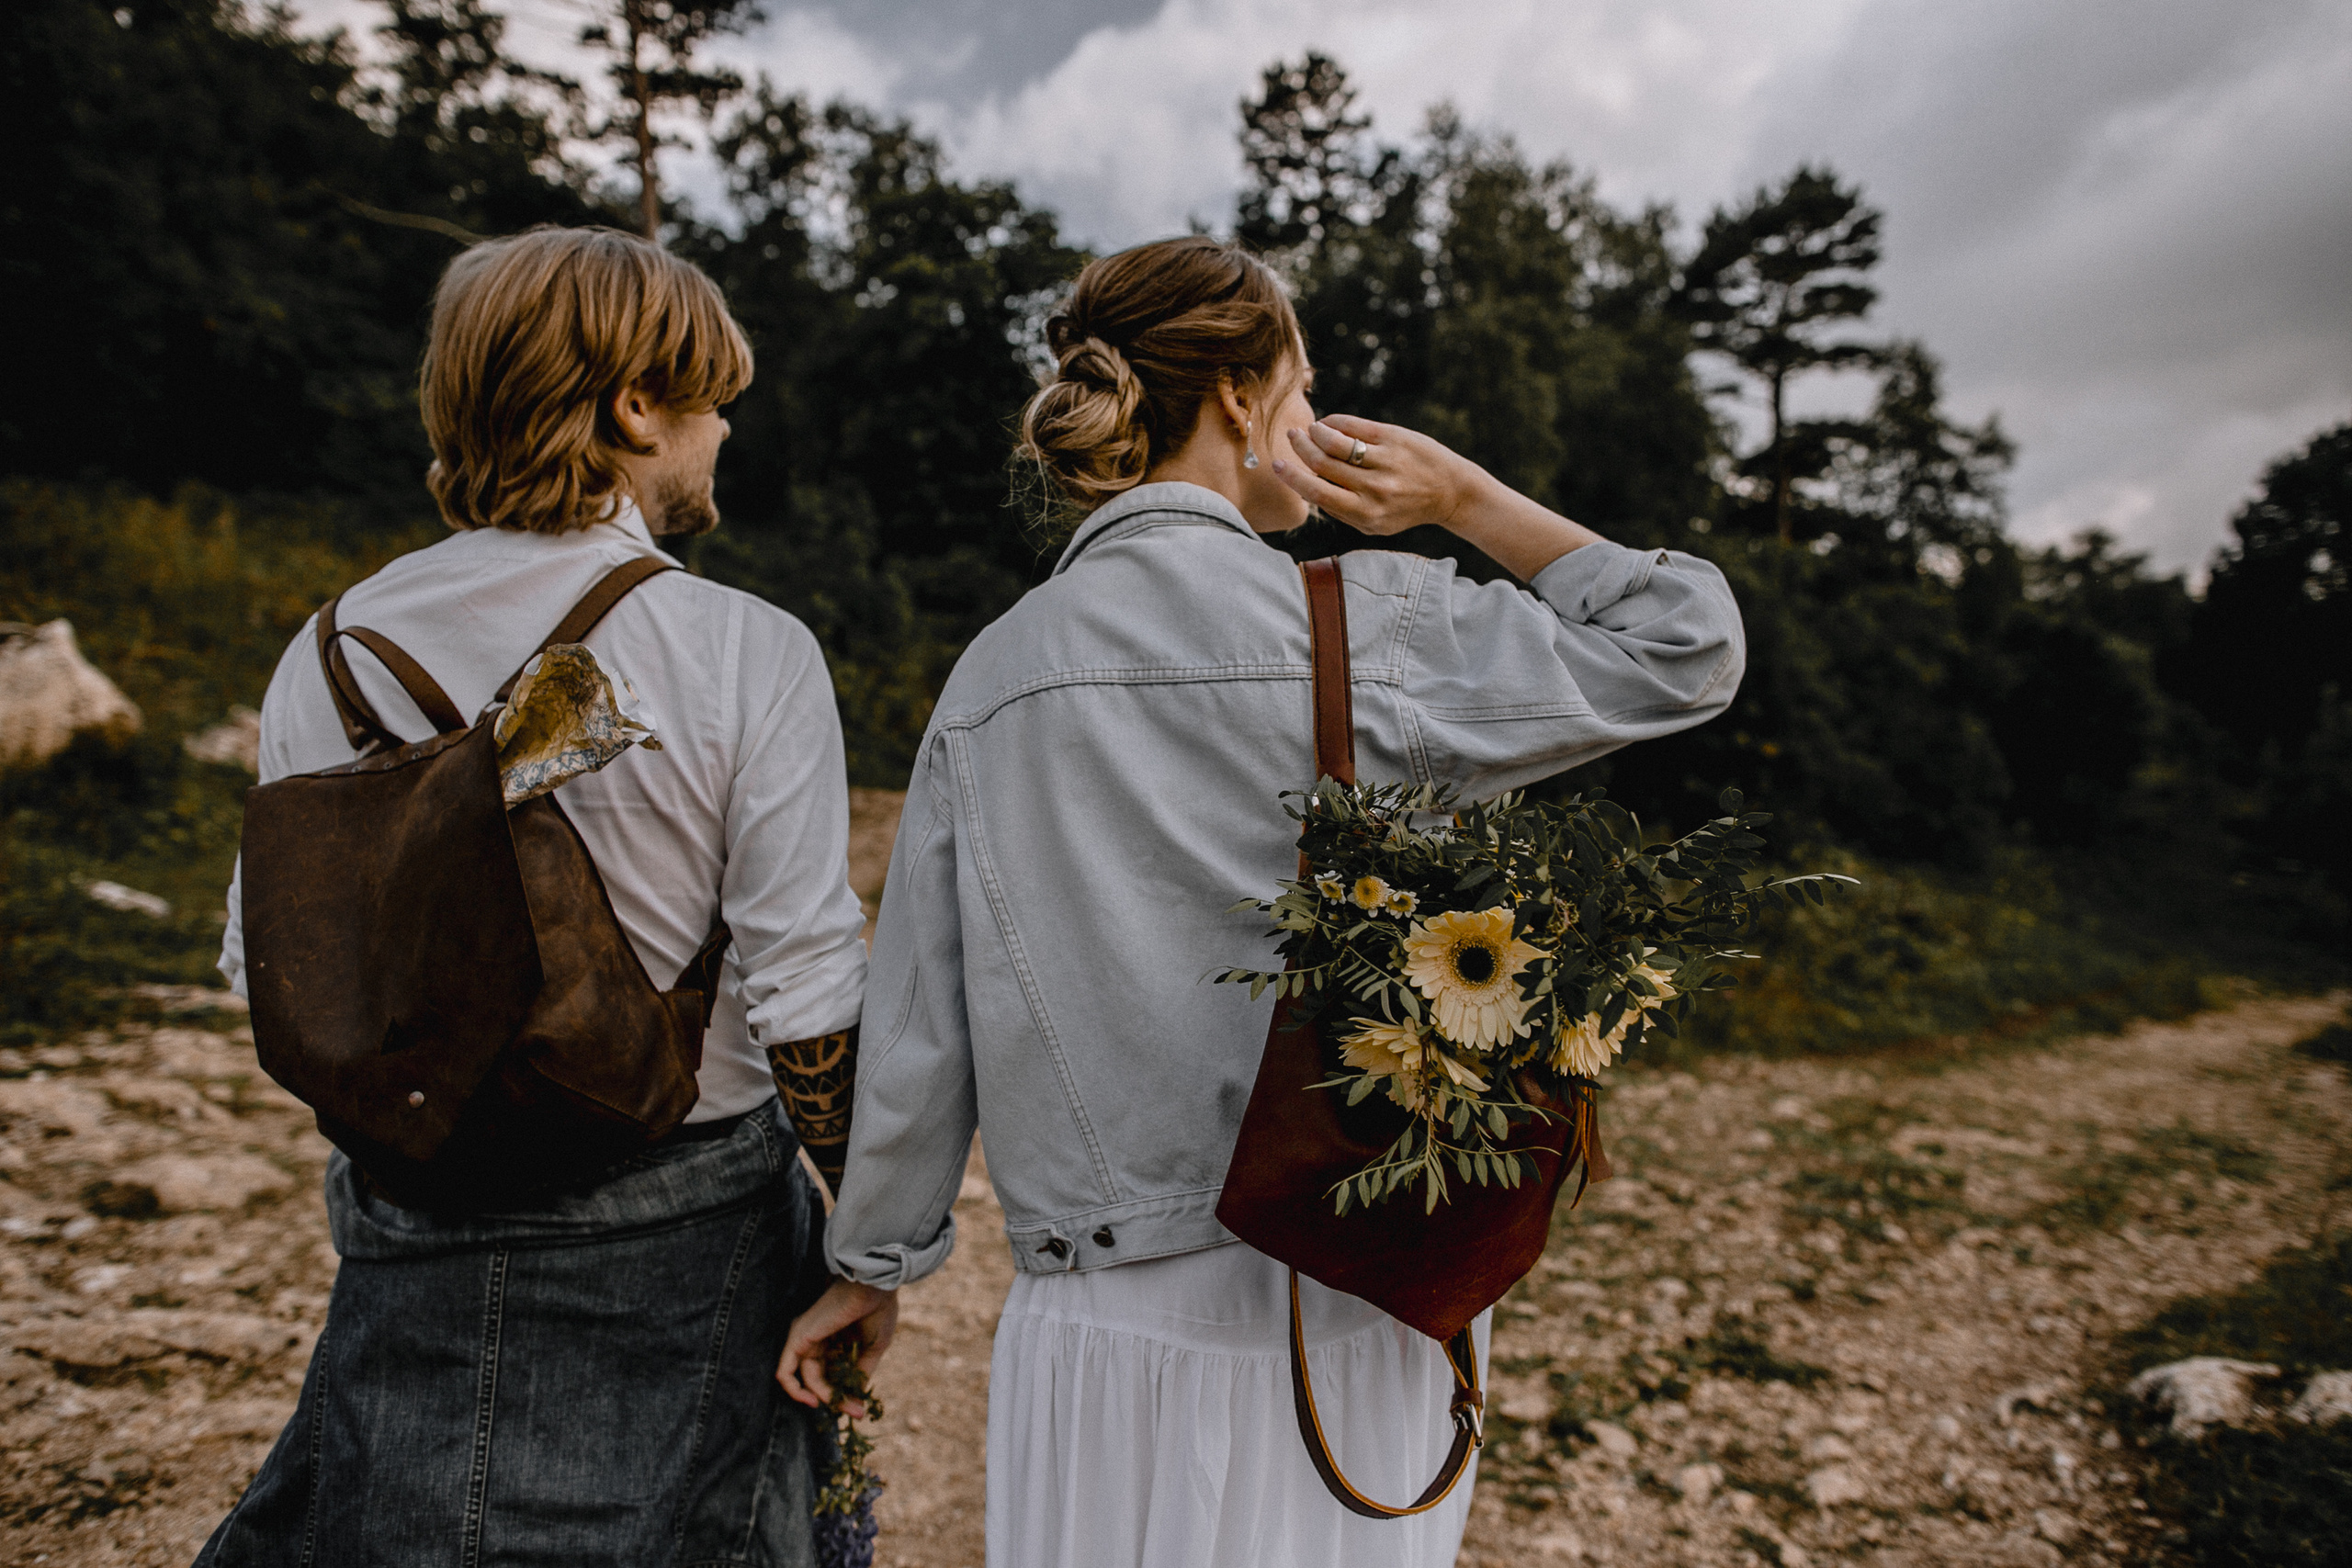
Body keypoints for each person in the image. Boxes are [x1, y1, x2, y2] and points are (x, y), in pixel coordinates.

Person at [780, 234, 1746, 1568]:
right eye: (1305, 382)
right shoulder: (1372, 627)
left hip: (1102, 1320)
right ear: (1240, 398)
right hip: (1355, 1291)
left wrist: (870, 1267)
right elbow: (1688, 645)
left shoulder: (992, 678)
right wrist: (1463, 495)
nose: (1316, 414)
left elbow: (923, 1024)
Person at [202, 227, 871, 1567]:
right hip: (687, 1231)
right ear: (635, 406)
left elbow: (264, 971)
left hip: (417, 1224)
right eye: (713, 398)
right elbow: (807, 997)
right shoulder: (744, 649)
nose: (727, 429)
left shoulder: (326, 647)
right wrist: (868, 1246)